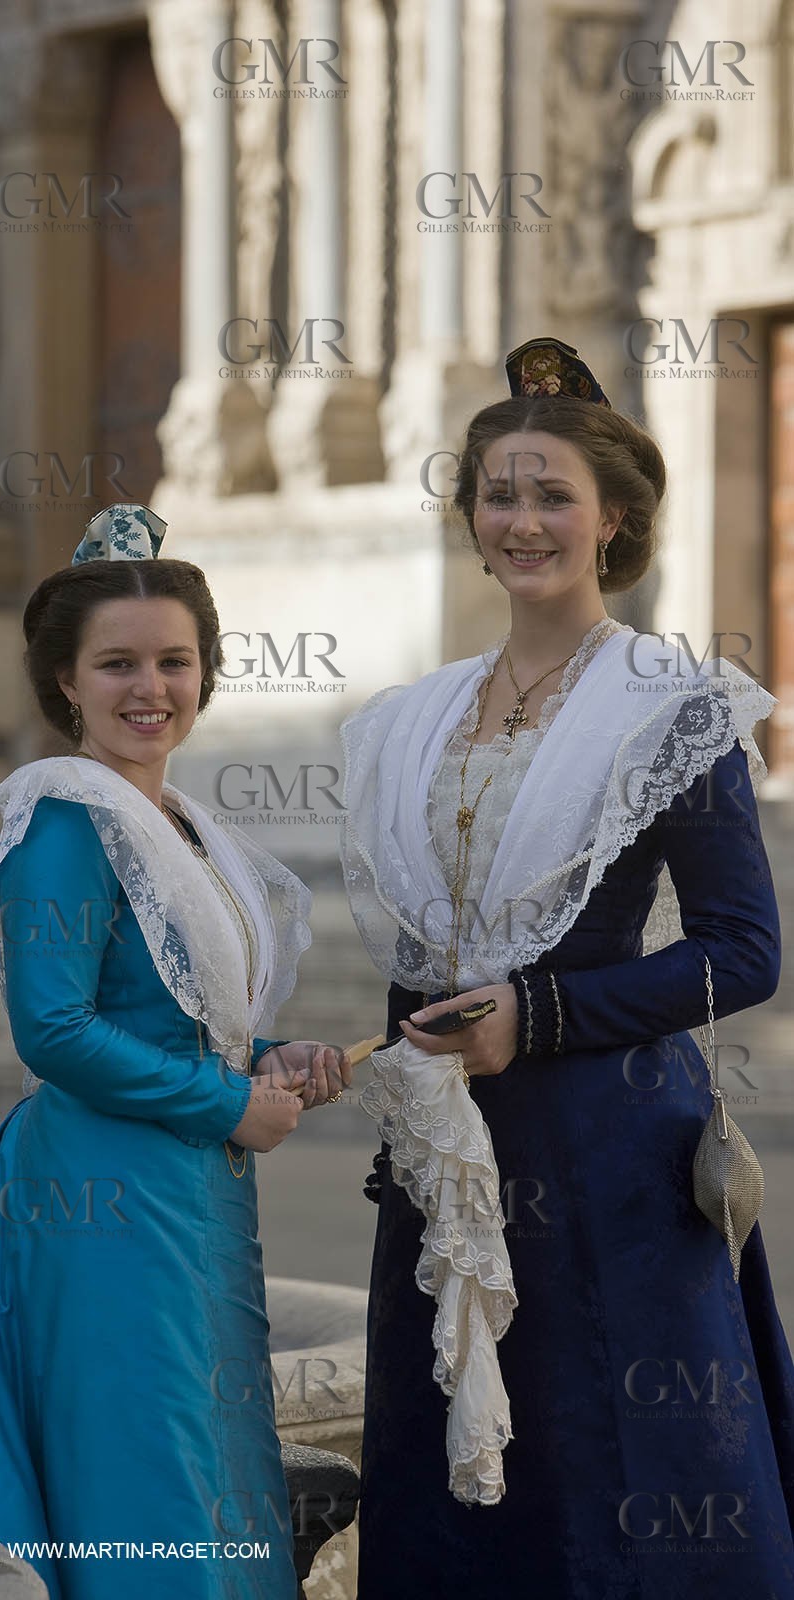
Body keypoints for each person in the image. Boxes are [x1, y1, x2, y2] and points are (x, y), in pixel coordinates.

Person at [340, 339, 794, 1597]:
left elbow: (741, 952)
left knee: (620, 1474)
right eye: (499, 492)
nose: (522, 519)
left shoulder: (673, 707)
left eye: (551, 494)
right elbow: (420, 960)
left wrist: (534, 1015)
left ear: (613, 519)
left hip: (610, 1156)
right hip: (448, 1162)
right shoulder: (411, 718)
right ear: (469, 517)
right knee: (453, 1474)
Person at [0, 503, 349, 1600]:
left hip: (182, 1177)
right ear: (64, 684)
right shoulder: (62, 820)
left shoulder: (174, 823)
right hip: (97, 1188)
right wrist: (227, 1104)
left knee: (196, 1445)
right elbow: (53, 1030)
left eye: (174, 662)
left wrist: (274, 1058)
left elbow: (177, 1018)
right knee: (143, 1459)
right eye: (117, 665)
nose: (150, 689)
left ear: (207, 672)